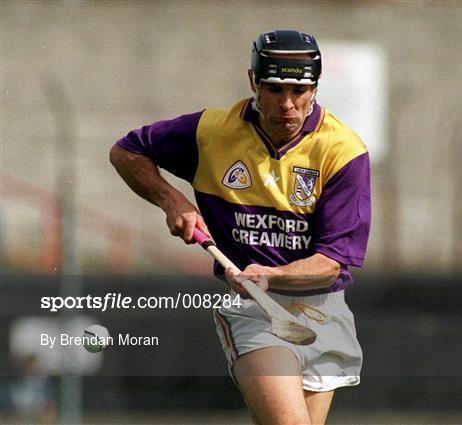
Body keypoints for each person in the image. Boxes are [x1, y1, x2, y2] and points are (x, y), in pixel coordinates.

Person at [110, 29, 371, 425]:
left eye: (299, 92)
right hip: (254, 309)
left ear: (315, 88)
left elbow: (333, 262)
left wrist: (271, 274)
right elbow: (127, 151)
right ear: (253, 82)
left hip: (323, 308)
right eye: (274, 89)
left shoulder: (343, 152)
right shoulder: (212, 131)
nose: (287, 105)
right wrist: (172, 200)